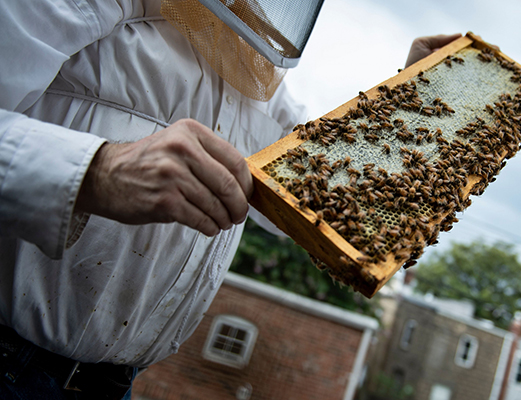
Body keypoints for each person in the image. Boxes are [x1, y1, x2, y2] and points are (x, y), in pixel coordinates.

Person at [0, 0, 460, 397]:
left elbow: (325, 191)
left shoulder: (250, 68)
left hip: (112, 383)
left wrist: (411, 97)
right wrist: (98, 172)